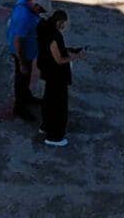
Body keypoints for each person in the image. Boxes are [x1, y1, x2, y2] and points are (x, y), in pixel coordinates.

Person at [37, 9, 80, 147]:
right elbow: (59, 60)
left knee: (49, 102)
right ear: (60, 22)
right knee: (58, 107)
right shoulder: (54, 37)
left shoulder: (47, 32)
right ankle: (55, 136)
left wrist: (68, 50)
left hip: (50, 75)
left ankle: (45, 127)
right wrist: (74, 57)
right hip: (56, 77)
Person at [6, 0, 48, 121]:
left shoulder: (24, 1)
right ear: (36, 6)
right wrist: (22, 62)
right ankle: (19, 108)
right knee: (21, 79)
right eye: (40, 11)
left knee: (26, 77)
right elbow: (18, 42)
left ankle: (27, 97)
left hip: (27, 52)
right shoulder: (25, 18)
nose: (40, 14)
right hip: (23, 54)